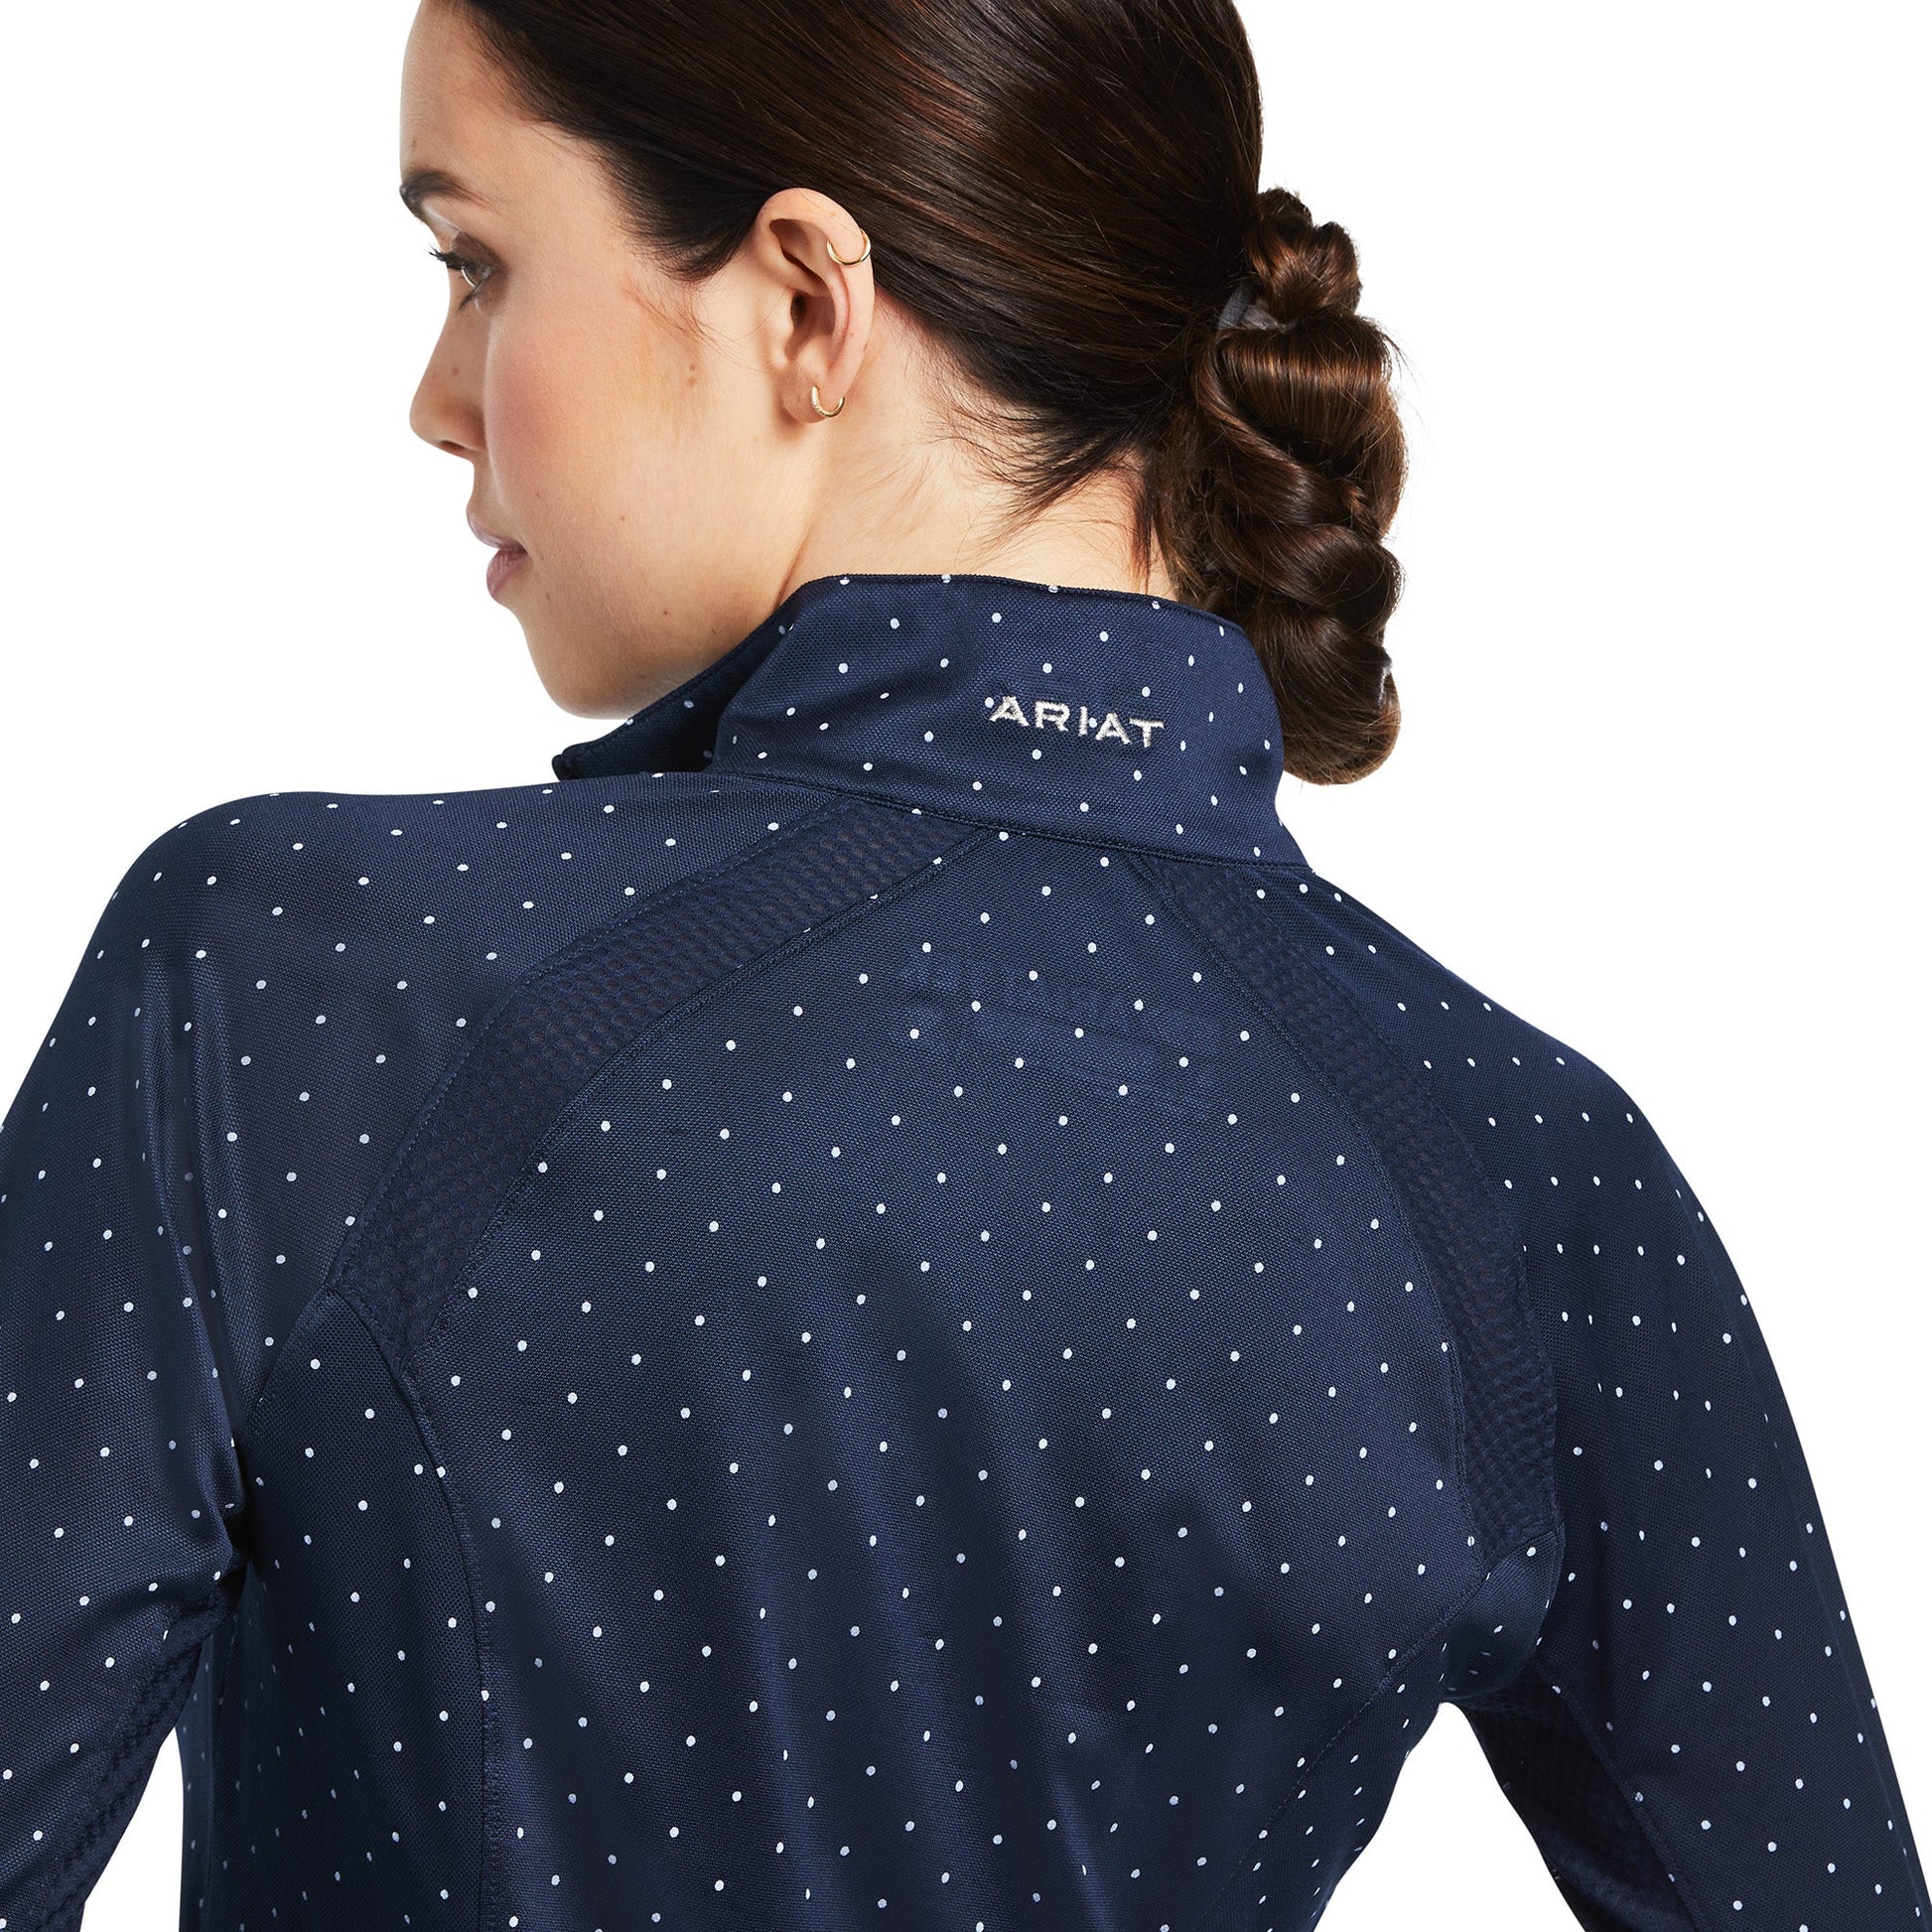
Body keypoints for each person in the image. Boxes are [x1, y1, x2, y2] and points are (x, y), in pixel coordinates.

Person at [0, 0, 1921, 1925]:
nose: (439, 393)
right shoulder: (1513, 1165)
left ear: (804, 304)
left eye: (473, 262)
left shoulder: (303, 981)